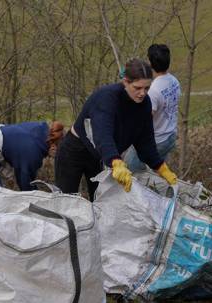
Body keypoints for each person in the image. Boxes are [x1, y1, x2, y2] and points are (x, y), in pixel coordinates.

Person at [54, 58, 178, 200]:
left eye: (147, 88)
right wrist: (115, 161)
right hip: (75, 150)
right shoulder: (107, 98)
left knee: (100, 201)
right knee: (66, 200)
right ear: (125, 82)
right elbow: (102, 134)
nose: (142, 93)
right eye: (137, 88)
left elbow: (146, 142)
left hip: (99, 155)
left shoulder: (145, 105)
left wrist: (161, 167)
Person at [124, 44, 181, 172]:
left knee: (129, 173)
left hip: (156, 140)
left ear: (150, 62)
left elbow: (144, 120)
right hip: (170, 136)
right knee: (157, 173)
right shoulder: (174, 81)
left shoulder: (153, 91)